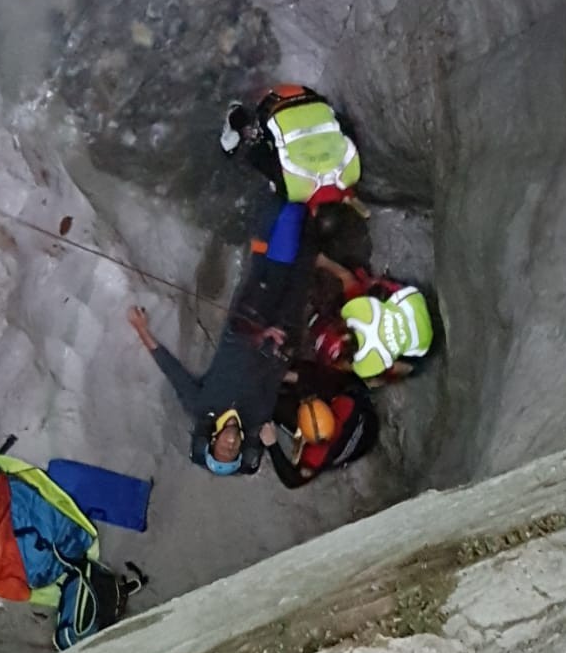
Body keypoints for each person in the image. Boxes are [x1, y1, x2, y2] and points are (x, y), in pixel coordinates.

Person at [127, 202, 317, 476]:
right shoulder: (258, 417)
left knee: (274, 270)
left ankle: (289, 203)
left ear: (213, 441)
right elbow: (273, 379)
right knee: (298, 276)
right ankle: (303, 219)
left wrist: (141, 329)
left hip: (247, 324)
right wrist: (280, 356)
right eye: (234, 450)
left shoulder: (200, 406)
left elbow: (174, 373)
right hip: (282, 333)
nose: (230, 443)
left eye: (223, 449)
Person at [221, 84, 364, 215]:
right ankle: (236, 115)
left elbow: (347, 129)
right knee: (255, 141)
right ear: (313, 212)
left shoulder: (353, 172)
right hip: (273, 106)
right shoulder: (294, 189)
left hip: (311, 97)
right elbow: (258, 155)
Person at [310, 252, 434, 386]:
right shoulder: (352, 310)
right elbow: (348, 278)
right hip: (415, 300)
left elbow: (404, 369)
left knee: (388, 372)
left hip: (425, 341)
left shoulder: (364, 368)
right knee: (372, 289)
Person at [260, 362, 379, 489]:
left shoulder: (315, 457)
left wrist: (272, 444)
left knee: (277, 407)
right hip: (366, 422)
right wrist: (293, 376)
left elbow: (292, 480)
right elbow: (339, 381)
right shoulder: (347, 404)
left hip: (360, 438)